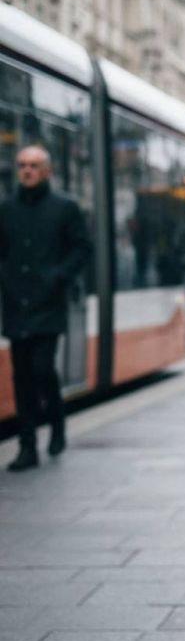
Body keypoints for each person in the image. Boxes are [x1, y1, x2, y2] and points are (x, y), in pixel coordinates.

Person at [0, 145, 92, 472]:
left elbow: (82, 249)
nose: (27, 171)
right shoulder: (6, 209)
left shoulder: (64, 208)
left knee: (42, 370)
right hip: (15, 304)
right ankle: (28, 447)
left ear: (46, 171)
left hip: (48, 305)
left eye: (34, 165)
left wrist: (59, 276)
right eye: (22, 165)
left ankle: (56, 424)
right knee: (21, 376)